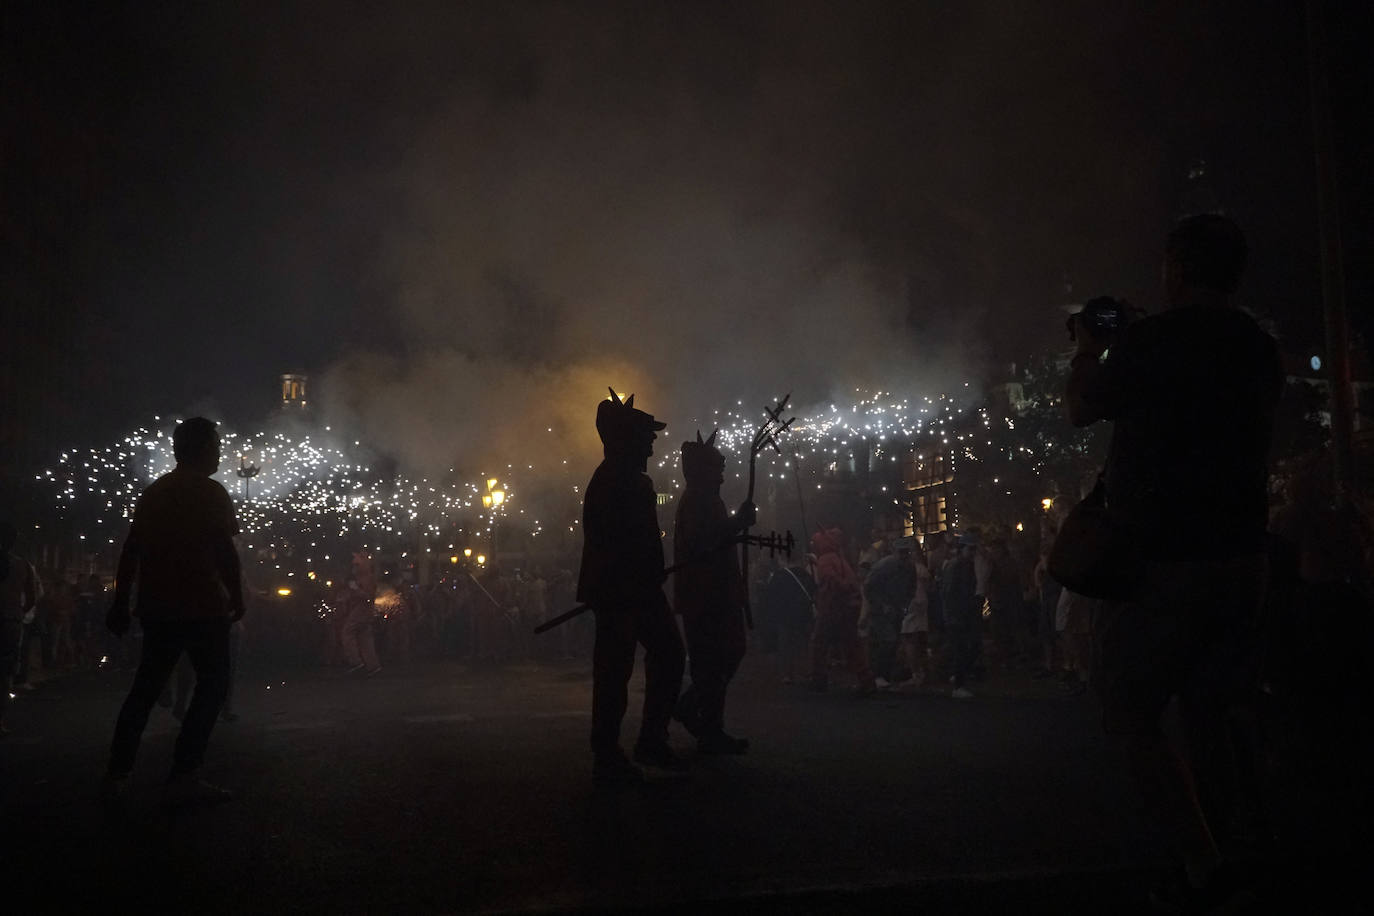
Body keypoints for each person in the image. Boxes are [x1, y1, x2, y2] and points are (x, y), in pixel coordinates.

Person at [1066, 214, 1283, 909]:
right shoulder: (1257, 344)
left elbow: (1082, 407)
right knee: (1212, 708)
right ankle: (1240, 848)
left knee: (1126, 707)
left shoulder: (1151, 341)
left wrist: (1091, 348)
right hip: (1243, 554)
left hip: (1163, 557)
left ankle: (1202, 859)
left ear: (1178, 268)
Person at [103, 417, 246, 806]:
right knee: (213, 685)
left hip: (158, 607)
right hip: (203, 606)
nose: (219, 452)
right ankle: (184, 771)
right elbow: (224, 551)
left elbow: (130, 550)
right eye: (215, 445)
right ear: (200, 449)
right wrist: (237, 595)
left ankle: (118, 772)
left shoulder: (155, 493)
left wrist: (121, 603)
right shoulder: (211, 493)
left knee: (145, 690)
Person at [577, 391, 685, 785]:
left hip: (632, 588)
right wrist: (644, 574)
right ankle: (612, 752)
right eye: (646, 435)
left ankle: (642, 742)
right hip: (624, 591)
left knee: (658, 658)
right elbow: (623, 543)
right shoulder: (619, 481)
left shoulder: (623, 479)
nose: (653, 441)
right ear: (626, 438)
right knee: (615, 673)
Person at [671, 430, 755, 754]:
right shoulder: (695, 500)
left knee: (725, 655)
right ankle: (705, 722)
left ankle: (702, 717)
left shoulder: (707, 499)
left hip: (716, 593)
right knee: (714, 660)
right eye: (717, 468)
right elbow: (702, 543)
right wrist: (737, 524)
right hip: (705, 596)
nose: (721, 474)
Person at [806, 527, 875, 695]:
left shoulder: (825, 560)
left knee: (819, 644)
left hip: (832, 608)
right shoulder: (839, 558)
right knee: (852, 646)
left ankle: (819, 679)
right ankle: (866, 681)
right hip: (847, 607)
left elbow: (830, 580)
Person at [0, 522, 42, 735]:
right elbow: (32, 597)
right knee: (6, 671)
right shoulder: (22, 565)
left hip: (10, 619)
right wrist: (19, 611)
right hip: (11, 621)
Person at [863, 537, 918, 686]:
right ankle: (879, 674)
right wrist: (881, 605)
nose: (903, 555)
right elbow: (869, 587)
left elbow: (911, 589)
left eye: (906, 552)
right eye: (901, 552)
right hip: (882, 610)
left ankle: (884, 675)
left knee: (892, 643)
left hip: (896, 609)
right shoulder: (884, 566)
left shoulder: (909, 567)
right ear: (894, 552)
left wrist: (905, 606)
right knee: (888, 640)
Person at [941, 531, 981, 699]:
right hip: (958, 613)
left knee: (963, 647)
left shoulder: (965, 565)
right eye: (970, 549)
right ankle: (958, 684)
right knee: (961, 648)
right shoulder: (957, 565)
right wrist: (953, 613)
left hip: (963, 612)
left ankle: (957, 677)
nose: (972, 553)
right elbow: (949, 592)